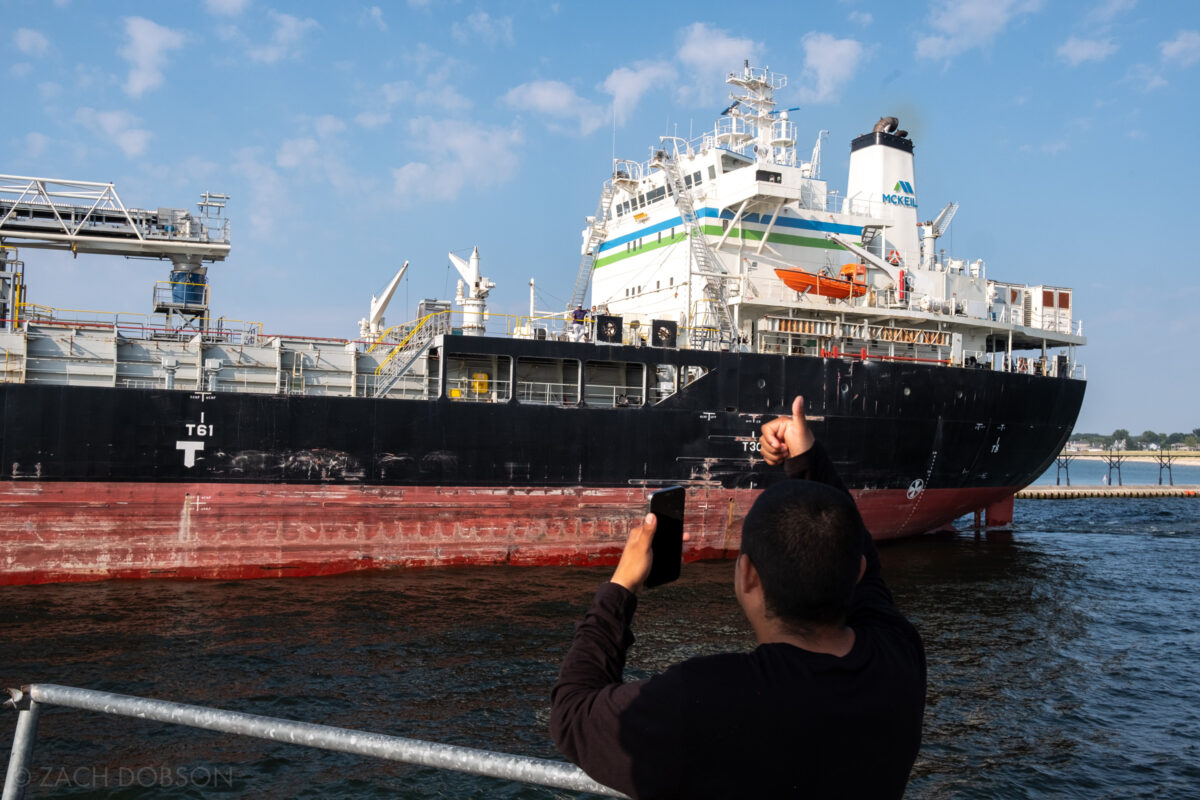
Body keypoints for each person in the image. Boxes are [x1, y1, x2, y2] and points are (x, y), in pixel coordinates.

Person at [550, 396, 926, 799]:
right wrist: (807, 459)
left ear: (747, 576)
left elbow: (572, 714)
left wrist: (621, 586)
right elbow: (854, 546)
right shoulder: (899, 657)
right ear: (857, 573)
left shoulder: (703, 700)